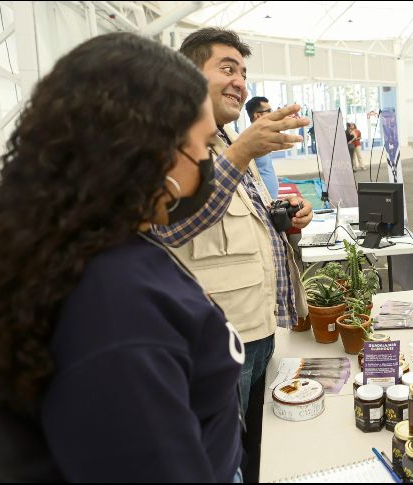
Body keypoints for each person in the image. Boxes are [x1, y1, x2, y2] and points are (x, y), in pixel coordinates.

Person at [0, 33, 244, 482]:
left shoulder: (85, 242)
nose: (208, 161)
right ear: (152, 150)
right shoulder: (115, 310)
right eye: (205, 146)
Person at [150, 27, 312, 483]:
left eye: (243, 71)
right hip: (217, 342)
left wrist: (288, 219)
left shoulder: (226, 143)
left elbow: (249, 222)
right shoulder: (166, 144)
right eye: (227, 68)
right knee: (218, 463)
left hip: (259, 329)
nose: (240, 81)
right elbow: (172, 224)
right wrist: (243, 151)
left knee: (255, 450)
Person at [245, 96, 279, 198]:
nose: (272, 113)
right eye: (269, 111)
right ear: (258, 115)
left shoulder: (263, 136)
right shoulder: (250, 139)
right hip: (261, 198)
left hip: (270, 196)